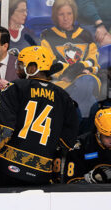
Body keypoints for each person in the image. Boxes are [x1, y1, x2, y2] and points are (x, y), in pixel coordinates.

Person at [0, 46, 79, 186]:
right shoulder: (64, 97)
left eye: (21, 65)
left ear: (33, 68)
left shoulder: (15, 87)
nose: (17, 69)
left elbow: (2, 127)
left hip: (9, 168)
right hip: (43, 172)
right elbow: (67, 141)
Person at [40, 0, 101, 132]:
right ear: (55, 16)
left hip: (86, 82)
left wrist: (77, 69)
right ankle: (79, 138)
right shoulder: (47, 36)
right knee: (91, 104)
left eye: (69, 13)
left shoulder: (85, 35)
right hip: (62, 86)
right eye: (61, 14)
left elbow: (94, 62)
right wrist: (81, 70)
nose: (66, 18)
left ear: (74, 14)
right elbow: (52, 64)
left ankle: (72, 138)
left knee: (86, 82)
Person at [64, 108, 111, 184]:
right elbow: (71, 182)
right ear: (98, 132)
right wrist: (90, 179)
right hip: (89, 193)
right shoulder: (80, 147)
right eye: (107, 137)